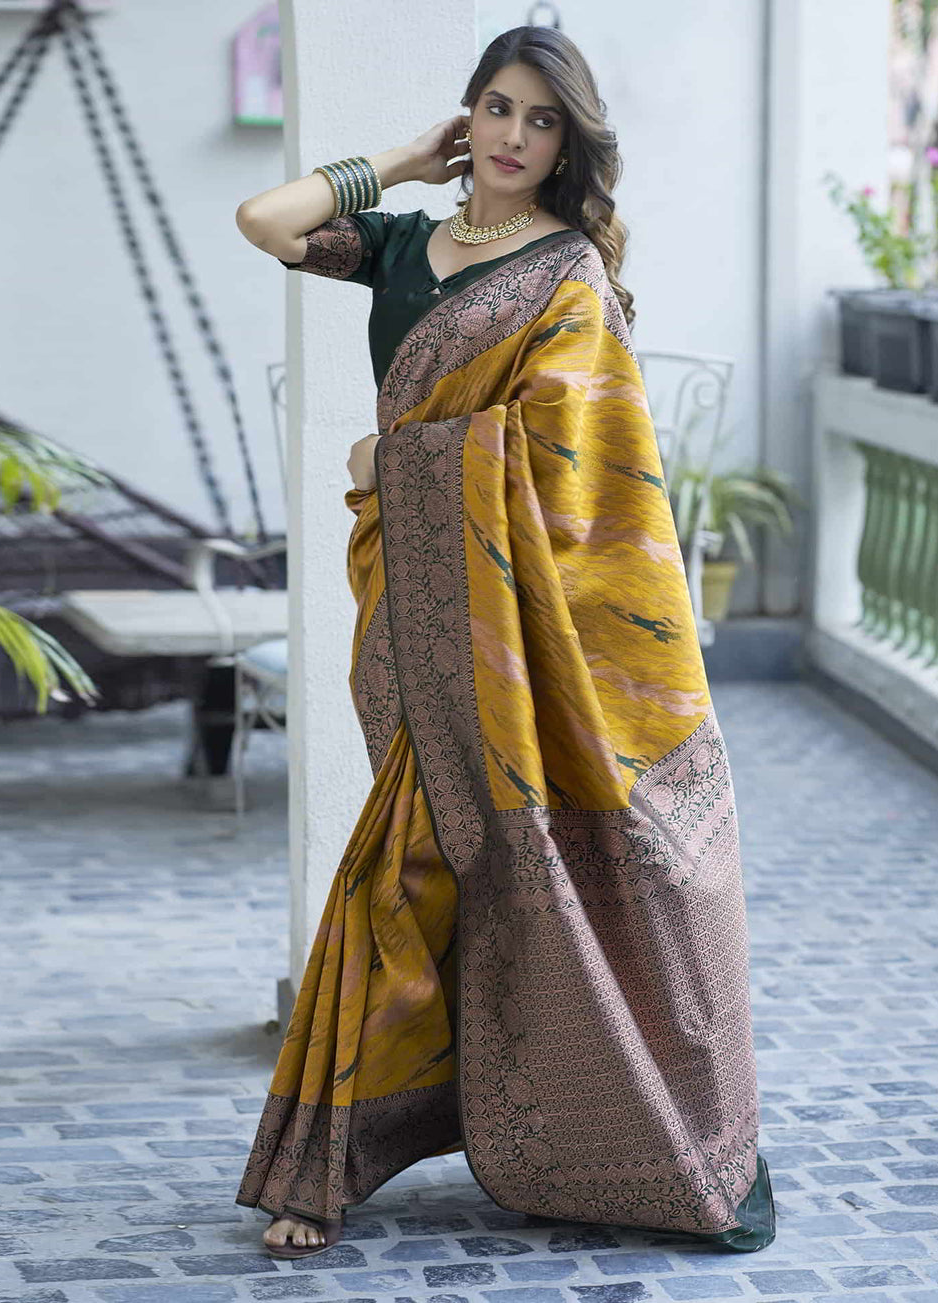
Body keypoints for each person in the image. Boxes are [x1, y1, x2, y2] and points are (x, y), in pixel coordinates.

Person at [233, 24, 776, 1262]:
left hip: (529, 625)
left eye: (541, 119)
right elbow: (264, 221)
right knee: (416, 847)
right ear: (464, 116)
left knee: (422, 861)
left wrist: (394, 458)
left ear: (568, 142)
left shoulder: (566, 270)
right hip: (414, 595)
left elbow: (575, 463)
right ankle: (347, 1148)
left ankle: (343, 1165)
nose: (514, 137)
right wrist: (396, 162)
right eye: (496, 108)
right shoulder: (400, 246)